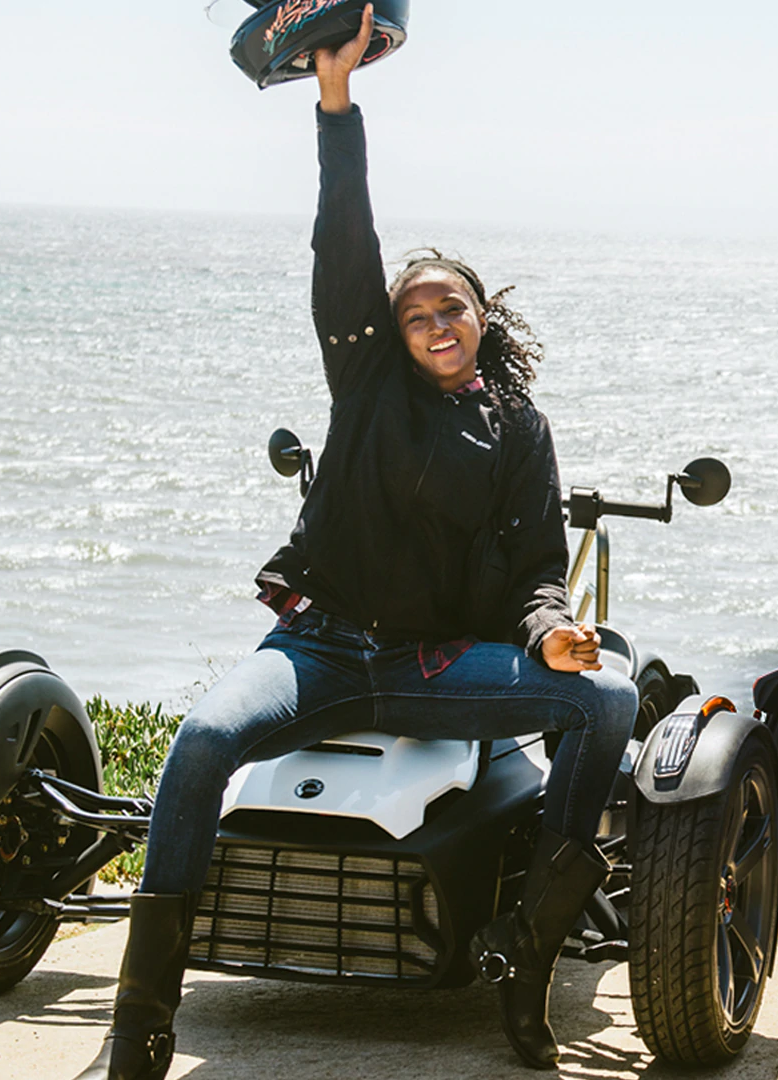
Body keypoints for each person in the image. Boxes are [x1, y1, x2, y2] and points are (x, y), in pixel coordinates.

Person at [74, 10, 636, 1077]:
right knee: (196, 745)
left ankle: (528, 966)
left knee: (606, 697)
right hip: (321, 652)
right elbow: (346, 239)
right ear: (390, 329)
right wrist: (336, 101)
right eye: (415, 310)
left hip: (436, 669)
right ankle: (142, 1019)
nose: (433, 320)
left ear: (482, 319)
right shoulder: (365, 379)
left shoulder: (520, 428)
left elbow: (529, 572)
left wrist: (556, 629)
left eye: (451, 306)